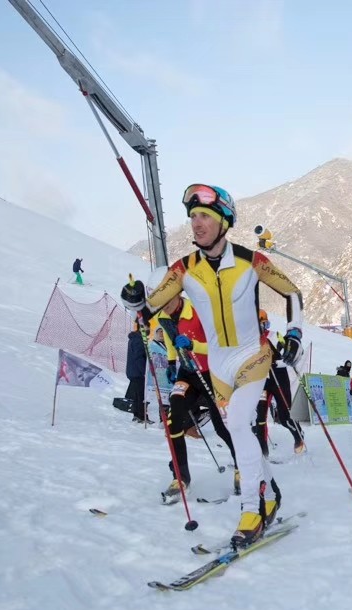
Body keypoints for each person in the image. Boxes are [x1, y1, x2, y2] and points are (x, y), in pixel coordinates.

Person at [121, 183, 303, 547]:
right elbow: (148, 309)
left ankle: (252, 509)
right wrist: (135, 300)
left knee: (236, 424)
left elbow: (292, 292)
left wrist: (294, 335)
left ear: (224, 221)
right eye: (192, 217)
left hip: (252, 356)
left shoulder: (251, 261)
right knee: (241, 431)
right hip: (218, 369)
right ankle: (270, 493)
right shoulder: (184, 269)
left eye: (204, 215)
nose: (196, 223)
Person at [154, 292, 238, 499]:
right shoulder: (163, 315)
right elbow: (169, 337)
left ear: (177, 294)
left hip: (212, 373)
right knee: (173, 419)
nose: (164, 307)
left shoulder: (201, 310)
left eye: (167, 301)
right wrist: (171, 363)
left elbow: (220, 345)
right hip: (188, 373)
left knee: (222, 426)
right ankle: (181, 478)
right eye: (160, 303)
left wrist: (193, 345)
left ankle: (242, 467)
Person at [256, 310, 305, 455]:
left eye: (264, 324)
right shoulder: (250, 341)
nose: (261, 328)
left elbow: (290, 355)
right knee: (260, 418)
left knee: (284, 417)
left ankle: (298, 436)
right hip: (262, 382)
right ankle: (263, 453)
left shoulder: (274, 336)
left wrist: (278, 362)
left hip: (278, 378)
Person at [125, 320, 150, 423]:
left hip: (133, 371)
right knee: (141, 395)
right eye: (147, 327)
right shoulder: (138, 339)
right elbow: (139, 357)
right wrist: (144, 371)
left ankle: (137, 415)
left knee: (137, 394)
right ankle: (141, 416)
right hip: (138, 372)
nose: (149, 329)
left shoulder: (136, 338)